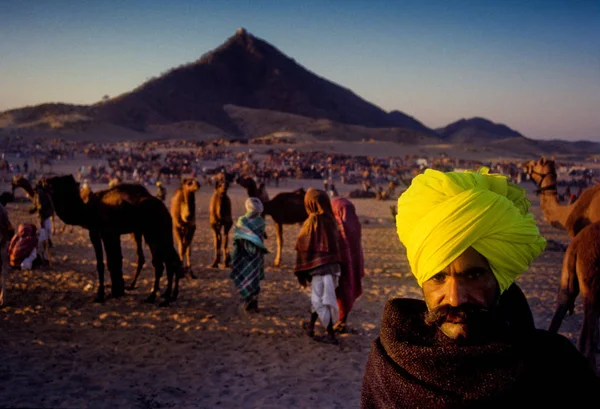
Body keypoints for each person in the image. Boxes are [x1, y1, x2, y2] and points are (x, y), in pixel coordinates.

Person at [361, 167, 599, 408]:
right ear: (422, 279)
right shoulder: (391, 365)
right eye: (438, 277)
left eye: (473, 275)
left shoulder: (556, 368)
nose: (455, 298)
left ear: (499, 276)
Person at [295, 188, 342, 344]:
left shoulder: (312, 221)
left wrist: (303, 265)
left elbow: (303, 244)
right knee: (325, 298)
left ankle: (330, 334)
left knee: (319, 301)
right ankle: (311, 326)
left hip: (319, 270)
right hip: (334, 268)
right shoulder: (331, 220)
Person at [331, 197, 364, 333]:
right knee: (347, 288)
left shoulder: (337, 227)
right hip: (352, 263)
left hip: (341, 266)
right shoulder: (355, 225)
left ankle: (340, 321)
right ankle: (341, 320)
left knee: (342, 291)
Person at [230, 197, 268, 313]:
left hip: (243, 253)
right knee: (254, 277)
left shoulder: (241, 220)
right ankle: (254, 303)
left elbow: (237, 236)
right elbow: (260, 236)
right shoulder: (261, 222)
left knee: (244, 274)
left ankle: (247, 300)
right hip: (256, 254)